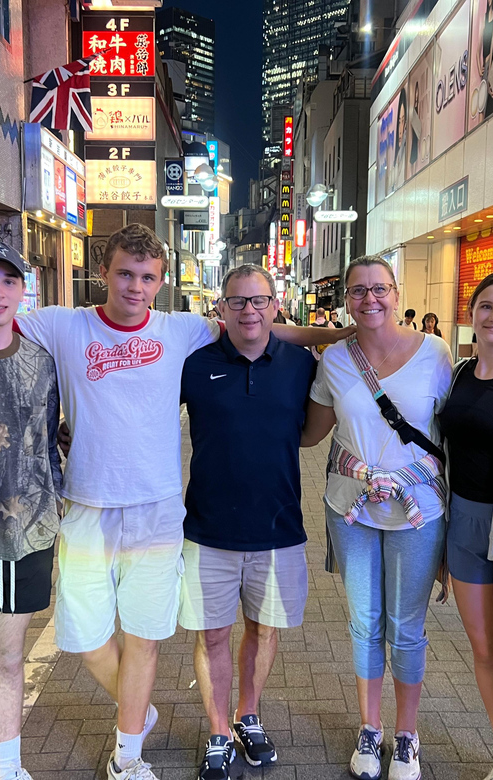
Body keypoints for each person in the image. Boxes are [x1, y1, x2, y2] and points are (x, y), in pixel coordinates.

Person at [27, 224, 351, 780]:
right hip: (132, 513)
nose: (135, 286)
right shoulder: (79, 327)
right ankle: (176, 718)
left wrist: (339, 336)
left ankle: (170, 739)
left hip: (206, 518)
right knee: (102, 636)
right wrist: (54, 426)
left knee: (191, 635)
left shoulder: (202, 338)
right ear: (103, 271)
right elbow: (1, 329)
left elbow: (268, 342)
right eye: (125, 273)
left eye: (147, 277)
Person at [301, 255, 452, 780]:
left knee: (406, 627)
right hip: (352, 508)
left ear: (396, 292)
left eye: (379, 289)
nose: (370, 299)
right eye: (358, 290)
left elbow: (452, 433)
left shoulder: (435, 353)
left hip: (419, 512)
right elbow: (309, 433)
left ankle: (406, 736)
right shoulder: (334, 361)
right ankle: (371, 728)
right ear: (346, 300)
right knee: (364, 624)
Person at [179, 265, 316, 780]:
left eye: (259, 301)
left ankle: (247, 715)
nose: (249, 311)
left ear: (276, 305)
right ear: (221, 309)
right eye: (237, 302)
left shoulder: (302, 365)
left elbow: (318, 426)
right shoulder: (194, 365)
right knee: (213, 636)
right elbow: (140, 410)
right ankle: (218, 731)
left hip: (279, 527)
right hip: (207, 529)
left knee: (264, 629)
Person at [0, 241, 61, 780]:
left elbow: (50, 441)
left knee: (8, 659)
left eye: (9, 281)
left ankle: (8, 769)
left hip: (27, 534)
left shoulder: (42, 361)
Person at [440, 273, 493, 780]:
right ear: (473, 313)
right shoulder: (459, 373)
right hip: (463, 519)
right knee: (483, 647)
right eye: (486, 305)